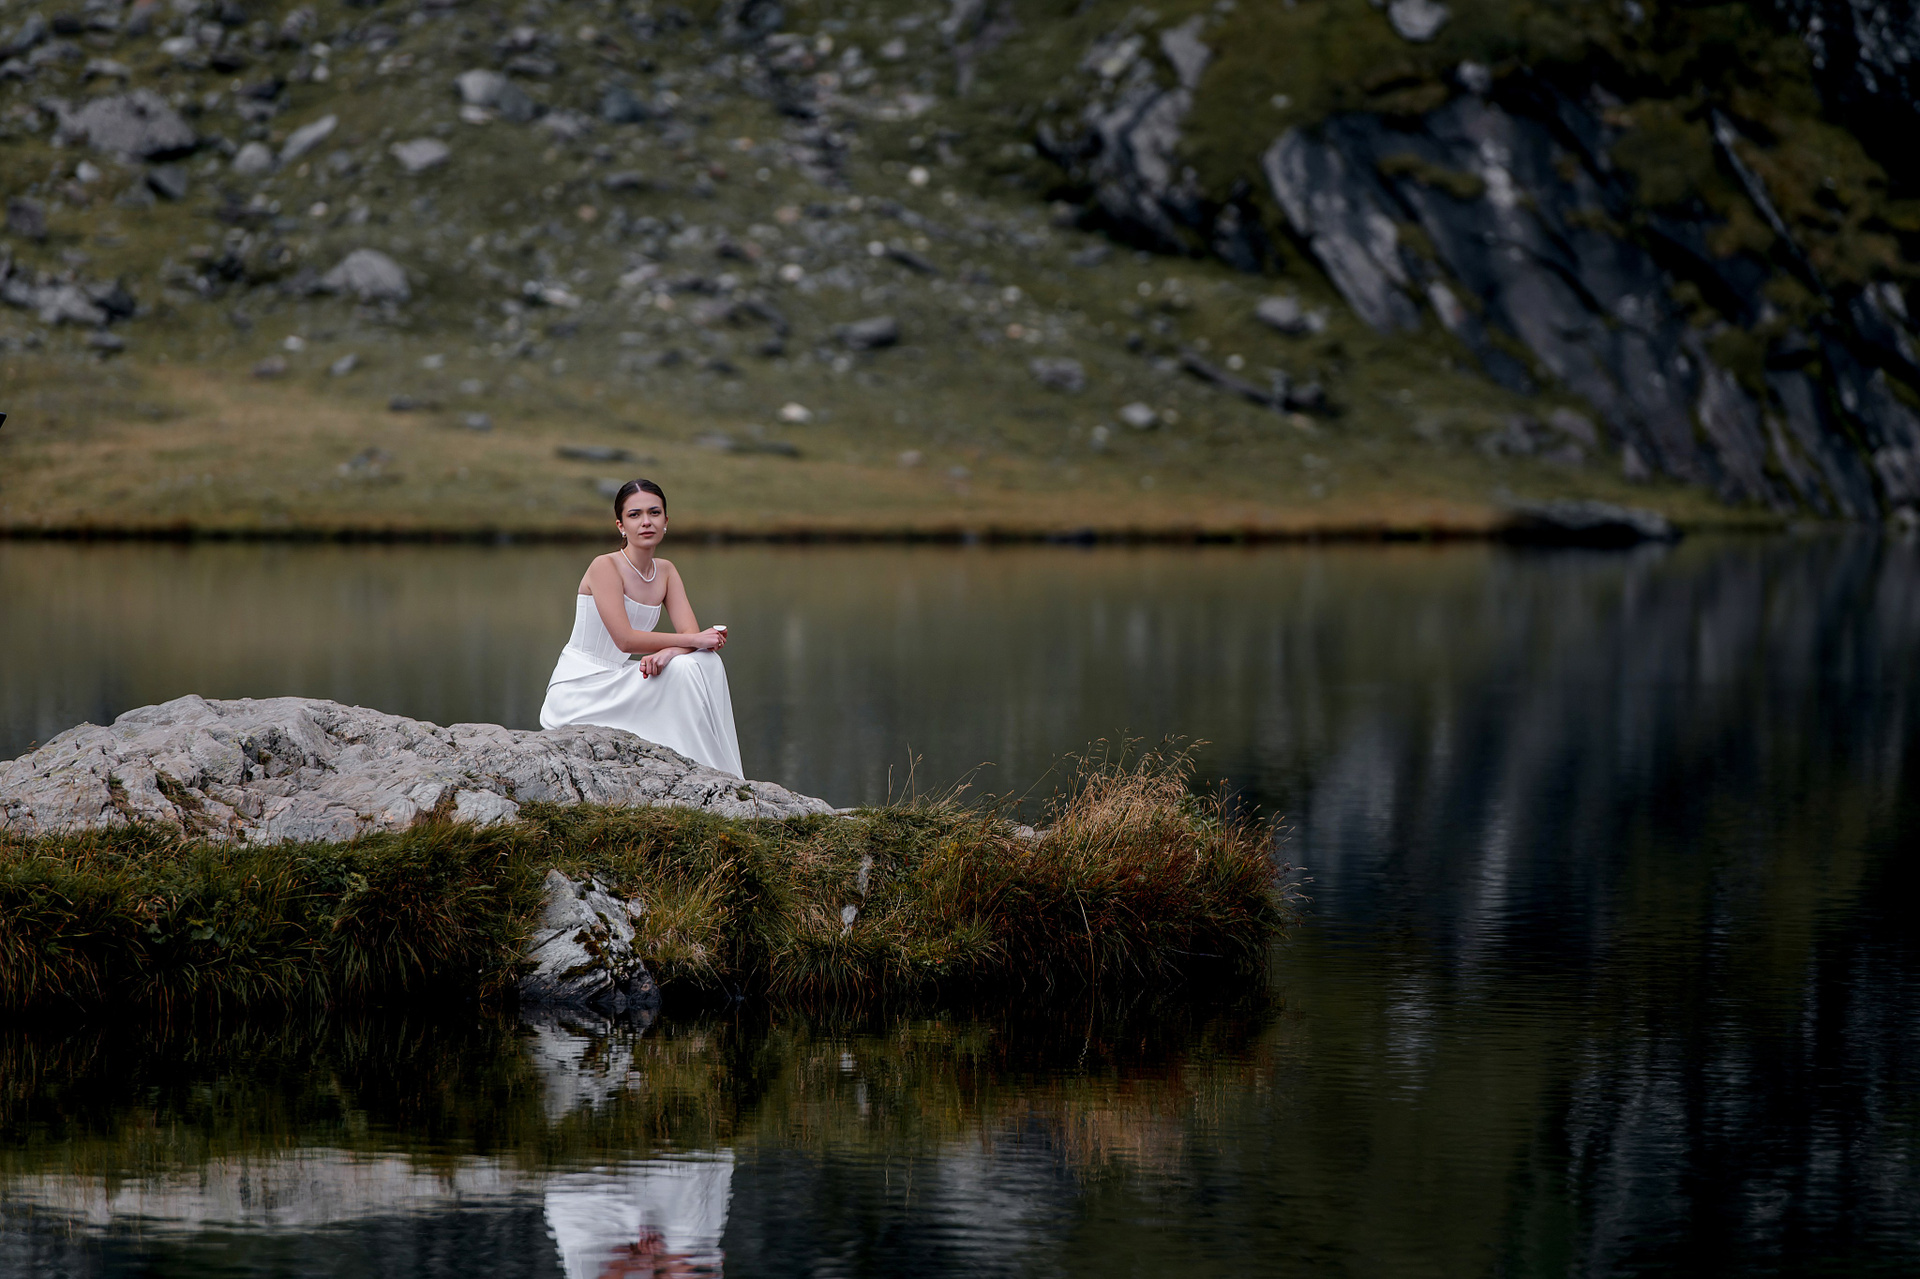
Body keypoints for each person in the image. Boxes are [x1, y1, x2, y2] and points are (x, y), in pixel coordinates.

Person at [539, 479, 744, 777]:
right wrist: (689, 642)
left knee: (704, 661)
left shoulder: (666, 571)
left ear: (666, 521)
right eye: (635, 515)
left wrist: (668, 653)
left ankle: (719, 771)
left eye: (654, 513)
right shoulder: (604, 566)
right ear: (621, 525)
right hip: (582, 686)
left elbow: (691, 637)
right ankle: (701, 770)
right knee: (690, 662)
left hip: (619, 678)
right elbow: (625, 640)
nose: (646, 522)